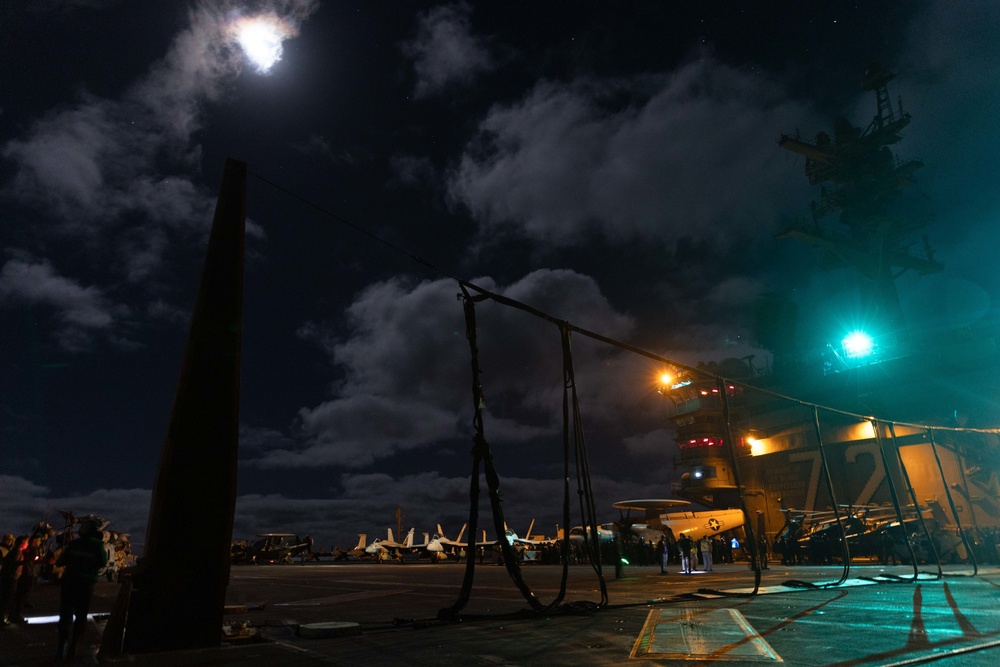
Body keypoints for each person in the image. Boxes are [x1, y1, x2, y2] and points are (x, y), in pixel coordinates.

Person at [56, 517, 108, 661]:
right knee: (81, 616)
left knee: (65, 616)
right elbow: (103, 562)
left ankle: (61, 649)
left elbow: (60, 561)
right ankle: (74, 648)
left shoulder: (73, 544)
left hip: (69, 583)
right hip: (85, 585)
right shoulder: (98, 546)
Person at [1, 535, 27, 624]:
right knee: (8, 598)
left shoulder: (14, 551)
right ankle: (3, 618)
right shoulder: (17, 552)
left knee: (7, 597)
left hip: (9, 576)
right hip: (11, 577)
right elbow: (13, 564)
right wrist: (24, 562)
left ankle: (4, 617)